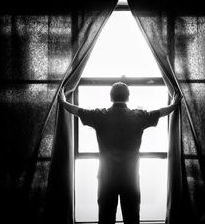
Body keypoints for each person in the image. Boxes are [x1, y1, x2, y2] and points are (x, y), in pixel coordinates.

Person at [58, 82, 180, 224]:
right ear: (128, 97)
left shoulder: (100, 115)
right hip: (130, 178)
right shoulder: (138, 116)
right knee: (132, 218)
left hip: (106, 178)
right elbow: (161, 112)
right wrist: (173, 104)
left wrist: (63, 101)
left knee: (105, 219)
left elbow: (78, 110)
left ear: (111, 97)